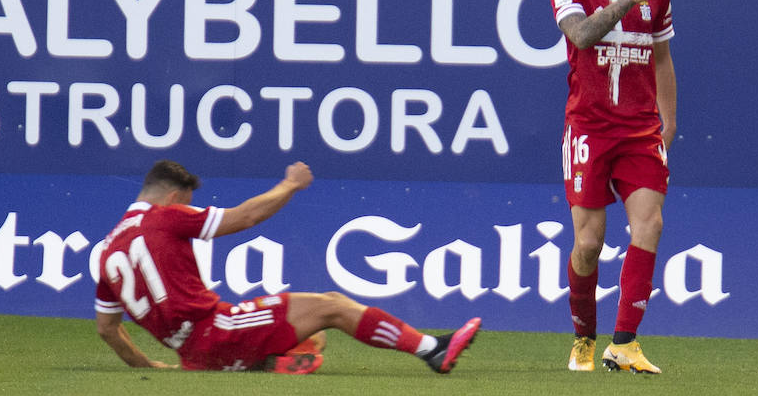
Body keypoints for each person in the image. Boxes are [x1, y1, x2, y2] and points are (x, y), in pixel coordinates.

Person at [94, 159, 481, 374]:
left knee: (314, 334)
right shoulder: (164, 218)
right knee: (333, 306)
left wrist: (149, 366)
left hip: (193, 350)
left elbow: (107, 330)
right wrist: (289, 185)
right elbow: (244, 218)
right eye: (186, 201)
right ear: (174, 197)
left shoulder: (108, 250)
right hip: (215, 333)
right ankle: (433, 350)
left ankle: (261, 363)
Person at [548, 0, 677, 375]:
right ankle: (584, 337)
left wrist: (669, 121)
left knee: (651, 223)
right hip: (588, 129)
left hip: (640, 130)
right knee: (589, 244)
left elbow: (662, 58)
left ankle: (624, 343)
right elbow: (580, 36)